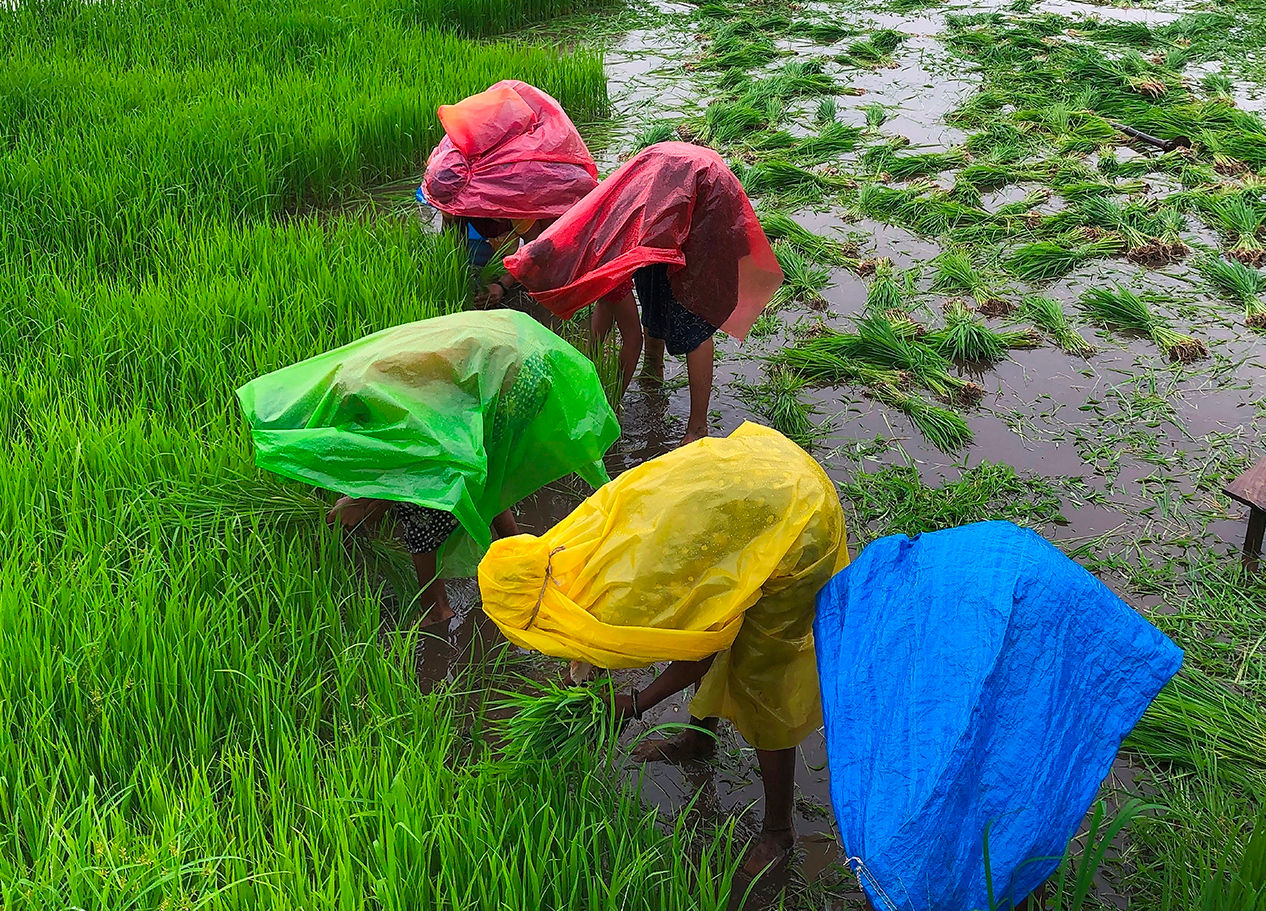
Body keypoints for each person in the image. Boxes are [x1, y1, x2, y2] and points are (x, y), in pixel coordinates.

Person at [813, 521, 1184, 911]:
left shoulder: (921, 616)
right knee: (912, 868)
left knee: (1021, 814)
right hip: (978, 591)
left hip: (1035, 601)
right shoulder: (900, 647)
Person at [478, 422, 848, 872]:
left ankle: (778, 831)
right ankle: (698, 740)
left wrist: (634, 703)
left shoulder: (636, 580)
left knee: (761, 681)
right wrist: (586, 664)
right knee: (717, 603)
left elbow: (700, 648)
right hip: (756, 471)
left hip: (799, 521)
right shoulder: (568, 551)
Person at [236, 311, 620, 627]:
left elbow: (416, 459)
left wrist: (366, 501)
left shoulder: (361, 392)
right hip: (519, 352)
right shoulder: (355, 374)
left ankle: (436, 608)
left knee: (429, 500)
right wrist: (365, 499)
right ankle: (518, 553)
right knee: (481, 469)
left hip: (506, 375)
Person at [491, 143, 782, 443]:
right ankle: (653, 369)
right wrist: (584, 370)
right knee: (652, 282)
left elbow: (632, 338)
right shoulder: (587, 248)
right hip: (668, 187)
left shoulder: (601, 260)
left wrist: (609, 399)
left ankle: (697, 428)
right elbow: (601, 322)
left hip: (706, 196)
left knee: (691, 319)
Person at [417, 79, 598, 284]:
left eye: (450, 210)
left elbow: (536, 250)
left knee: (557, 253)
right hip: (490, 174)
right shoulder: (446, 165)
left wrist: (502, 285)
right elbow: (452, 242)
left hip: (531, 170)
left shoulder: (512, 196)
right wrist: (452, 276)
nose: (447, 212)